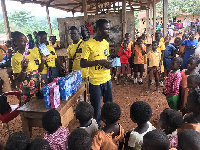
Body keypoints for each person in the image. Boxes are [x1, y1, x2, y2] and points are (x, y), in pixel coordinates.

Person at [80, 19, 113, 127]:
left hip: (107, 78)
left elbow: (106, 58)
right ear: (99, 30)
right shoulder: (88, 44)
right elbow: (83, 63)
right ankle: (97, 127)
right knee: (96, 107)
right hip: (95, 81)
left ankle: (109, 125)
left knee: (109, 105)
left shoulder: (106, 43)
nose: (108, 31)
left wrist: (108, 63)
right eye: (106, 29)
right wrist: (99, 62)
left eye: (109, 29)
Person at [11, 31, 46, 105]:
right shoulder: (15, 58)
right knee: (30, 108)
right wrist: (24, 69)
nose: (26, 42)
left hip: (38, 84)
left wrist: (43, 60)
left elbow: (40, 70)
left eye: (26, 39)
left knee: (41, 105)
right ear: (15, 43)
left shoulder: (34, 52)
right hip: (28, 89)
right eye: (22, 40)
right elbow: (19, 79)